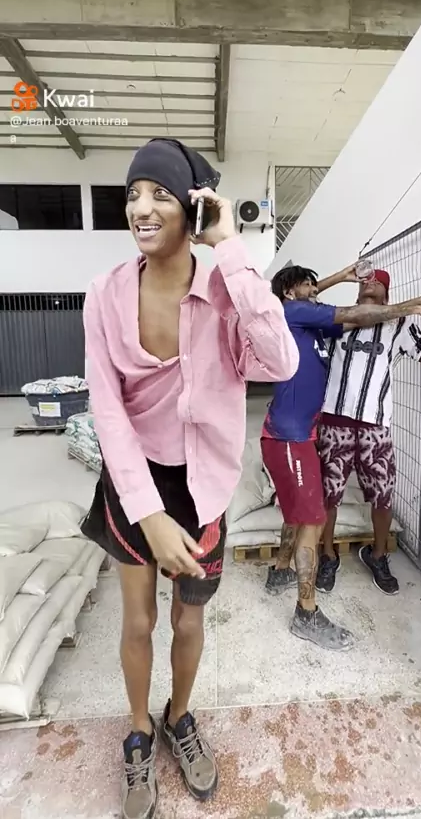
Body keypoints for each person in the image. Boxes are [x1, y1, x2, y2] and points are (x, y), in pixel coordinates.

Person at [80, 138, 299, 819]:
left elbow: (280, 362)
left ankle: (180, 717)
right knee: (139, 617)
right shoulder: (105, 295)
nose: (141, 208)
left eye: (160, 194)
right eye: (133, 194)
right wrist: (146, 513)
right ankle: (139, 733)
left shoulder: (227, 291)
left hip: (202, 483)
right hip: (133, 481)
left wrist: (232, 249)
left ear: (194, 208)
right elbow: (107, 410)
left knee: (188, 616)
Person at [261, 263, 421, 648]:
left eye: (375, 283)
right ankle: (311, 599)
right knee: (317, 510)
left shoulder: (326, 323)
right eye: (307, 286)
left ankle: (293, 568)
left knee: (341, 503)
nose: (368, 286)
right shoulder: (313, 318)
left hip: (335, 429)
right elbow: (333, 308)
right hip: (303, 431)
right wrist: (417, 303)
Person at [316, 268, 421, 596]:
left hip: (375, 426)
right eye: (366, 280)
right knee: (328, 495)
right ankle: (328, 555)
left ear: (387, 292)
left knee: (382, 496)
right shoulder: (339, 318)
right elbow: (305, 304)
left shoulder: (400, 323)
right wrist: (337, 277)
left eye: (377, 281)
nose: (370, 282)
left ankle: (378, 555)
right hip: (334, 422)